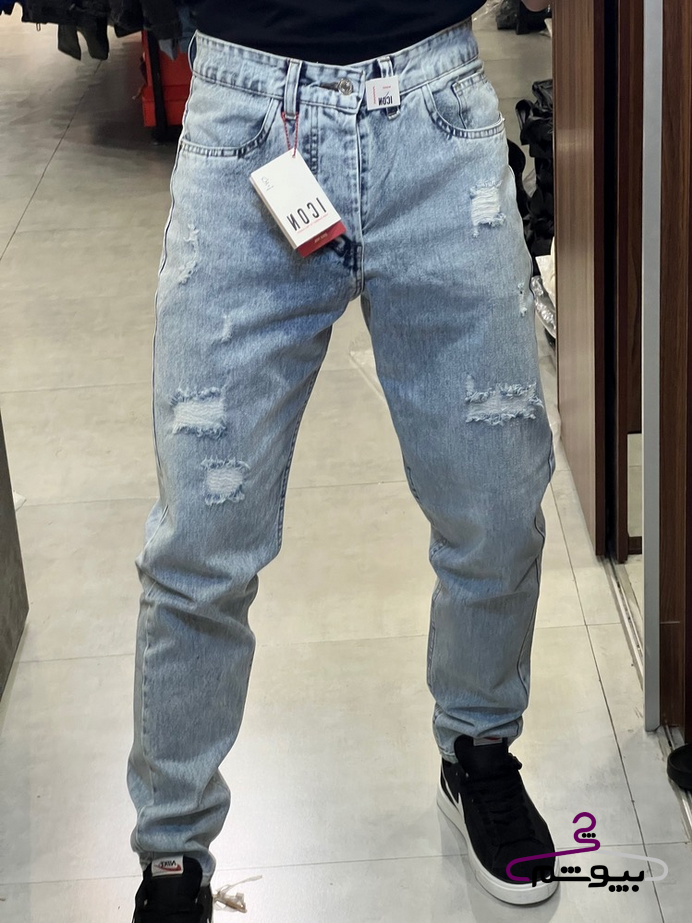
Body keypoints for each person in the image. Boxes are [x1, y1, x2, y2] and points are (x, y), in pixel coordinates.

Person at [128, 1, 557, 919]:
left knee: (497, 498)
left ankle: (480, 747)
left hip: (435, 110)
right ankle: (172, 850)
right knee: (200, 540)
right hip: (246, 112)